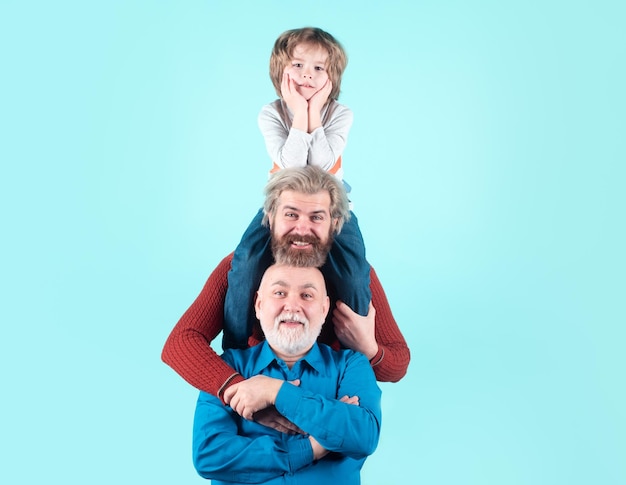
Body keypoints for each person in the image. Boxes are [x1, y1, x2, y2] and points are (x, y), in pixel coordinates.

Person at [162, 166, 410, 409]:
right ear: (270, 219)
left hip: (326, 398)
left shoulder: (356, 275)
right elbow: (180, 343)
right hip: (252, 398)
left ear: (333, 224)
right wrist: (241, 389)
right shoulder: (235, 269)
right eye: (291, 215)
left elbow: (398, 365)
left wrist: (368, 348)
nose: (302, 229)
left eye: (316, 217)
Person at [224, 26, 371, 351]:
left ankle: (353, 355)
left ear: (331, 77)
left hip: (331, 206)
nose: (308, 75)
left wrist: (313, 112)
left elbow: (320, 166)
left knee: (354, 272)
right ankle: (236, 350)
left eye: (319, 68)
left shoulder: (340, 114)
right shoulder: (271, 113)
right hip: (283, 208)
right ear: (280, 70)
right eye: (299, 65)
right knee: (246, 260)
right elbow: (292, 167)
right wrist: (297, 111)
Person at [192, 264, 382, 484]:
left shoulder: (351, 365)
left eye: (307, 295)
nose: (293, 305)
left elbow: (363, 435)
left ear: (324, 309)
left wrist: (275, 391)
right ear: (259, 305)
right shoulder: (228, 367)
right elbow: (209, 456)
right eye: (280, 293)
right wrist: (311, 448)